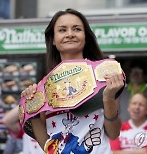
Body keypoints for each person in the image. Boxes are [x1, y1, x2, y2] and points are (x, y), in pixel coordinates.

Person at [21, 8, 124, 154]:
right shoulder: (43, 88)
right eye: (62, 30)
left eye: (76, 29)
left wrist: (108, 98)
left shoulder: (103, 76)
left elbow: (114, 133)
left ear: (85, 36)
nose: (70, 34)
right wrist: (31, 107)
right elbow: (48, 147)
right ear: (53, 40)